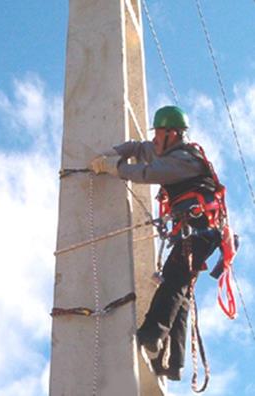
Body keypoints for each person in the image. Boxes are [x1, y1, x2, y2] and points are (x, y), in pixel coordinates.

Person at [90, 105, 227, 381]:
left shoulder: (183, 160)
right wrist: (117, 151)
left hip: (200, 229)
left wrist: (112, 168)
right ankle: (174, 362)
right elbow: (140, 149)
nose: (155, 139)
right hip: (198, 230)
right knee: (182, 293)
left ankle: (152, 334)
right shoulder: (170, 150)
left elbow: (146, 173)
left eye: (159, 133)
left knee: (174, 282)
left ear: (173, 134)